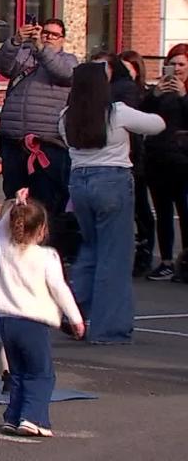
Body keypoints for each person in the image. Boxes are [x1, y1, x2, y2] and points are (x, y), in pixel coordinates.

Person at [60, 61, 165, 344]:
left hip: (79, 182)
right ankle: (109, 329)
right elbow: (157, 125)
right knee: (114, 257)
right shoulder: (117, 113)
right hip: (112, 180)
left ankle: (74, 313)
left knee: (91, 249)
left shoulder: (66, 116)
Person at [0, 191, 85, 437]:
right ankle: (32, 418)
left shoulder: (5, 249)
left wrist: (15, 207)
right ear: (42, 229)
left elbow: (1, 228)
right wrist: (75, 318)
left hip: (7, 321)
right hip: (33, 323)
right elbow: (60, 289)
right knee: (41, 374)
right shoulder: (46, 257)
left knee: (18, 372)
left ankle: (13, 416)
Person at [0, 18, 77, 255]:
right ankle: (13, 249)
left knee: (46, 203)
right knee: (14, 199)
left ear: (63, 39)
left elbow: (63, 73)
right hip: (14, 141)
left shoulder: (68, 60)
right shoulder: (24, 56)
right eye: (44, 33)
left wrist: (41, 48)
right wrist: (16, 41)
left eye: (53, 34)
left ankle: (46, 252)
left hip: (46, 145)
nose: (48, 37)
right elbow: (1, 65)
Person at [141, 45, 188, 281]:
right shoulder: (158, 91)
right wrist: (155, 94)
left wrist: (183, 96)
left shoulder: (184, 93)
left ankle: (186, 261)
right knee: (163, 212)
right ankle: (167, 261)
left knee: (186, 211)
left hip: (183, 162)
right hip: (158, 159)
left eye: (181, 64)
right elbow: (141, 113)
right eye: (173, 64)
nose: (177, 69)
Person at [111, 51, 153, 277]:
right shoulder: (112, 97)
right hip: (122, 159)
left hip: (138, 158)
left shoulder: (143, 96)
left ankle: (146, 252)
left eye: (130, 69)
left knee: (142, 210)